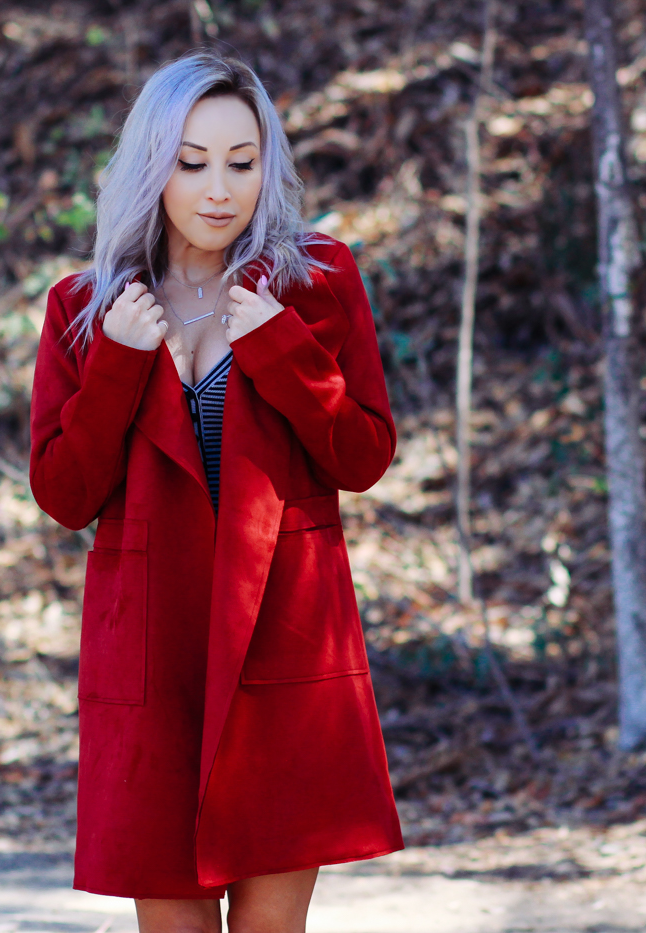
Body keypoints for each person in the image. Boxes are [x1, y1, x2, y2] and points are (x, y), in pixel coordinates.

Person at [28, 50, 402, 933]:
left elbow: (363, 455)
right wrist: (118, 362)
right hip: (153, 661)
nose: (219, 189)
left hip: (283, 647)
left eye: (242, 160)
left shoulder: (316, 282)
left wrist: (280, 345)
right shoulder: (87, 308)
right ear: (151, 167)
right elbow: (65, 492)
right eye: (191, 162)